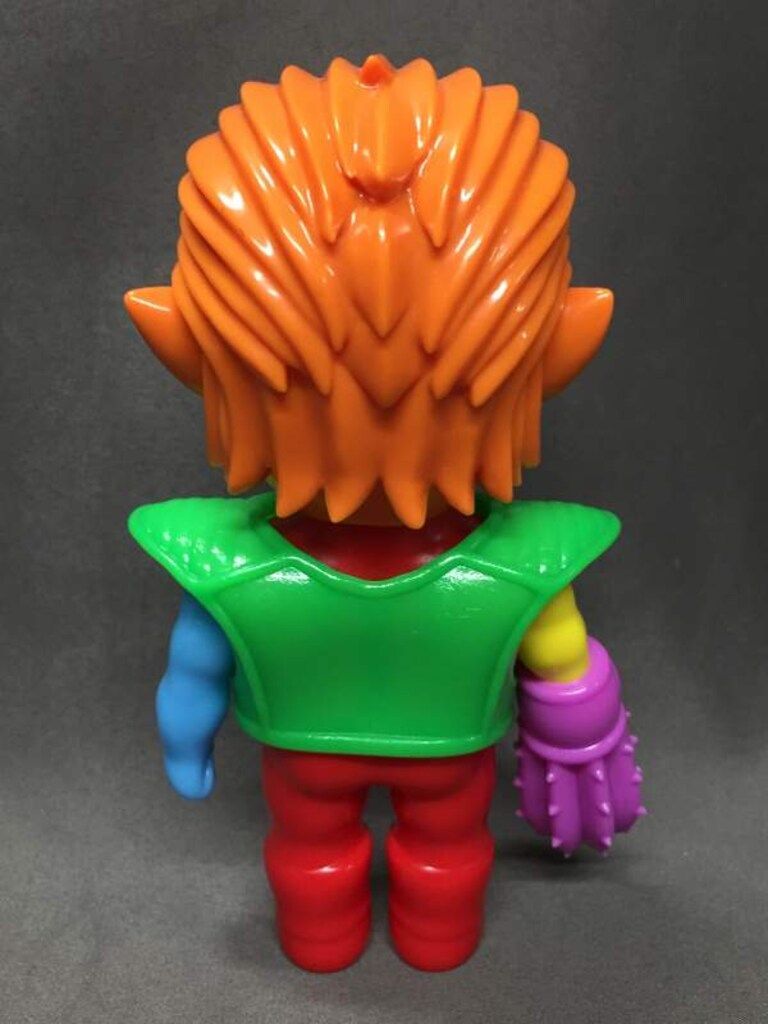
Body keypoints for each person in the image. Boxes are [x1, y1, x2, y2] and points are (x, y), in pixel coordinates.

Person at [125, 54, 644, 973]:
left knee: (314, 845)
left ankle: (325, 939)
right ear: (557, 344)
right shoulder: (516, 566)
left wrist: (186, 737)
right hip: (444, 758)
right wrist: (581, 742)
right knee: (442, 846)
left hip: (310, 759)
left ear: (194, 347)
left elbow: (194, 669)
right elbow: (565, 665)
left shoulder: (234, 569)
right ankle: (430, 939)